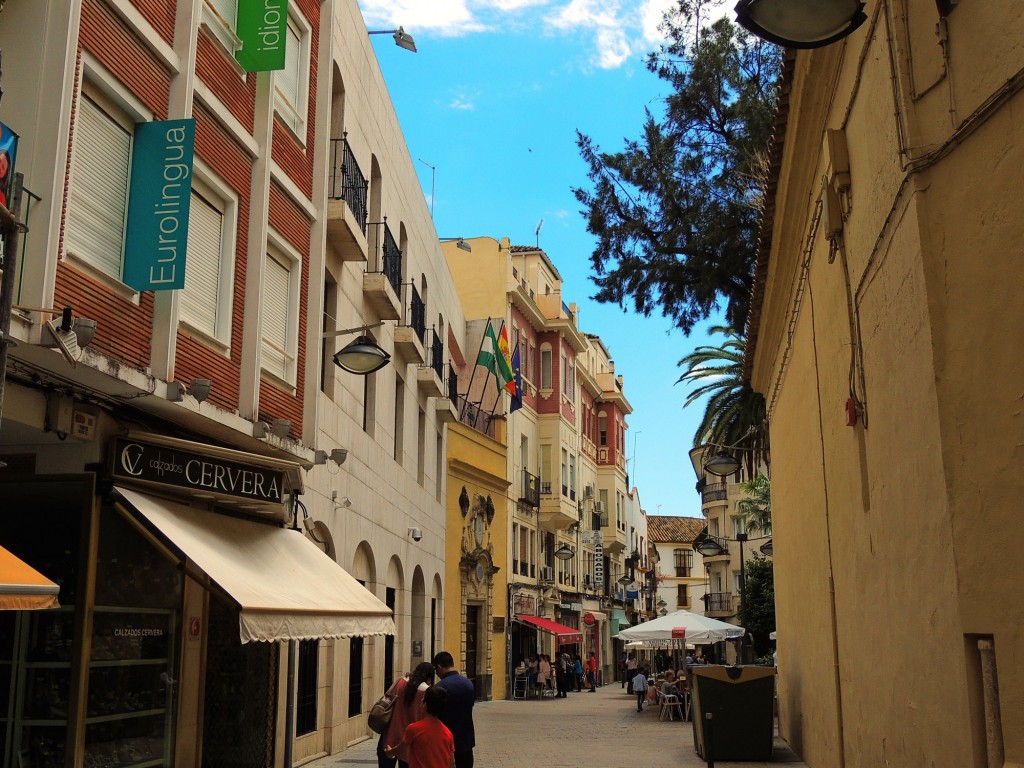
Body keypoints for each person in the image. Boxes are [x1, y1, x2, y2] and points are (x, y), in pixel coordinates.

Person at [378, 662, 436, 768]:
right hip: (410, 741)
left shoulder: (400, 683)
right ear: (429, 677)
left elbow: (387, 699)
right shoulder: (427, 692)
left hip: (391, 734)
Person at [384, 685, 455, 768]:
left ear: (425, 705)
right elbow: (452, 762)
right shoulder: (447, 733)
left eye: (422, 699)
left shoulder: (414, 729)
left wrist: (390, 752)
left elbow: (401, 749)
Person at [431, 652, 475, 768]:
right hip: (466, 740)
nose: (436, 673)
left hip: (445, 741)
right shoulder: (468, 684)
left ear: (439, 666)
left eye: (436, 669)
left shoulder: (440, 687)